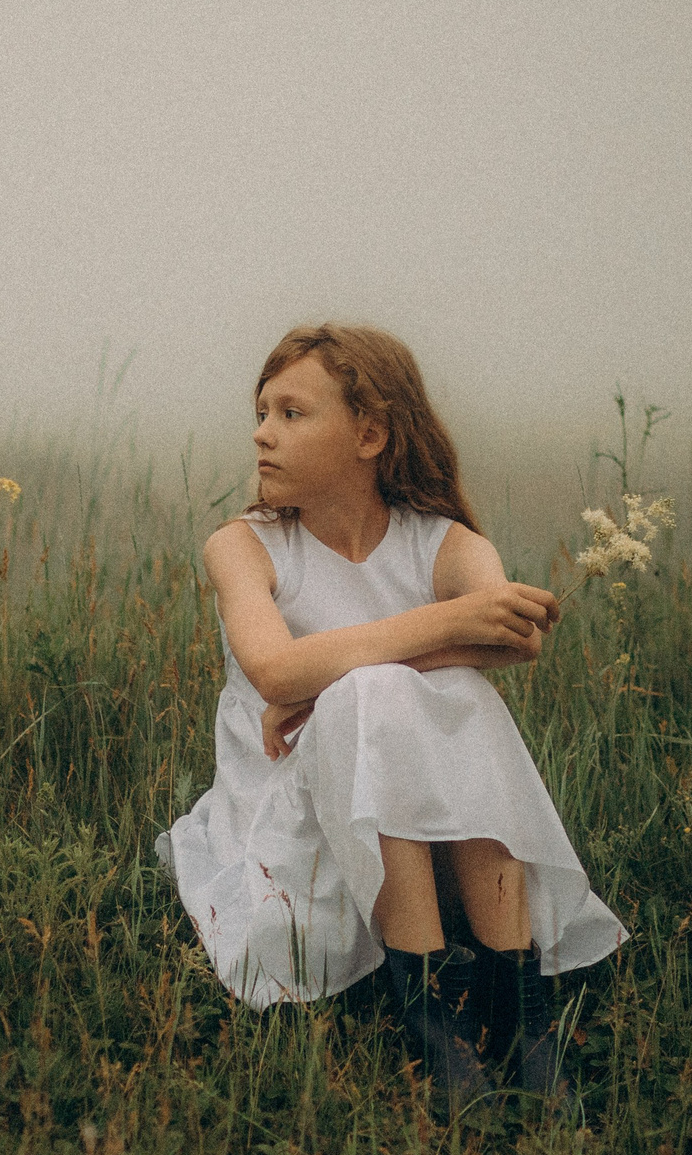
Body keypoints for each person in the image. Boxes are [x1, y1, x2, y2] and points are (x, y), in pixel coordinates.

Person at [153, 323, 628, 1110]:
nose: (261, 433)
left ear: (370, 433)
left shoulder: (442, 543)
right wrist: (440, 629)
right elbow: (273, 668)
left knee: (442, 692)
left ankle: (520, 1012)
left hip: (432, 831)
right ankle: (435, 1012)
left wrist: (327, 682)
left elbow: (514, 642)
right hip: (294, 818)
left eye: (292, 413)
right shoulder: (244, 546)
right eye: (261, 412)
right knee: (379, 692)